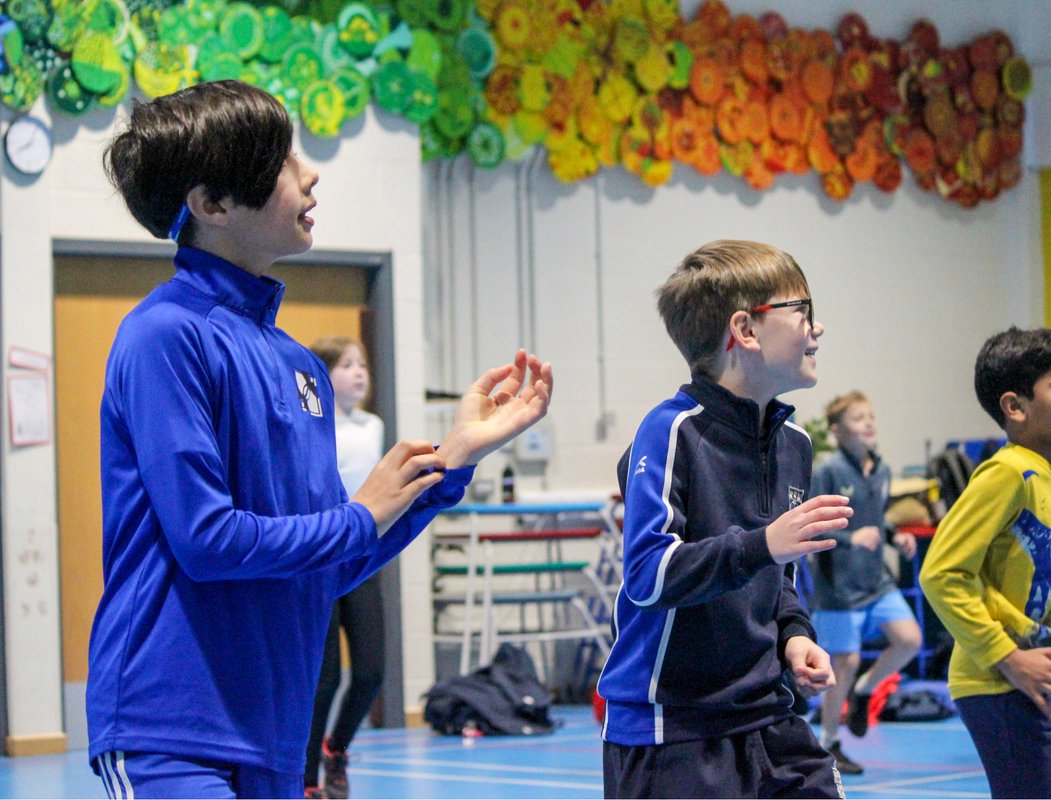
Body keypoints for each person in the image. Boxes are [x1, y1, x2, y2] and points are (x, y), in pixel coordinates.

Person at [87, 80, 553, 800]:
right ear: (212, 205)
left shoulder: (300, 366)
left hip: (275, 735)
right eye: (282, 162)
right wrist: (361, 514)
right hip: (172, 732)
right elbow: (206, 540)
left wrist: (455, 460)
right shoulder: (164, 335)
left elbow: (327, 564)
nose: (310, 175)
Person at [597, 240, 854, 799]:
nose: (817, 328)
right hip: (674, 727)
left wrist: (794, 636)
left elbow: (780, 582)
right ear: (746, 329)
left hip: (767, 713)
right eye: (802, 310)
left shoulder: (795, 445)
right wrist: (763, 544)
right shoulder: (670, 431)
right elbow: (648, 575)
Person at [919, 326, 1051, 800]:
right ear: (1015, 407)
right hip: (997, 681)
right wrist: (1007, 656)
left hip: (1048, 673)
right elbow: (941, 573)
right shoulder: (1006, 474)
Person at [809, 391, 922, 776]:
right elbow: (812, 527)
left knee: (909, 639)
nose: (868, 424)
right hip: (838, 588)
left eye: (870, 416)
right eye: (858, 419)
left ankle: (865, 690)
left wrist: (894, 536)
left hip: (876, 581)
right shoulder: (828, 472)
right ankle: (829, 741)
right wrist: (850, 538)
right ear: (838, 431)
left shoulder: (882, 469)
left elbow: (876, 518)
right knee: (845, 662)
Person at [303, 337, 387, 799]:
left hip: (362, 557)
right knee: (324, 679)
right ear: (323, 372)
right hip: (320, 559)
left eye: (363, 364)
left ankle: (336, 749)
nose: (359, 373)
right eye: (347, 364)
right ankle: (306, 782)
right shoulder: (310, 425)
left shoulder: (373, 426)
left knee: (371, 672)